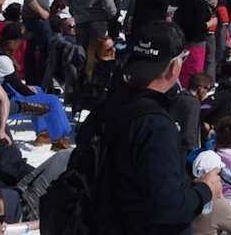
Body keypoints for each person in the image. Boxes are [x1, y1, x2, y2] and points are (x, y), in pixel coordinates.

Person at [83, 21, 213, 235]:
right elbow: (169, 209)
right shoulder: (156, 126)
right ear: (174, 67)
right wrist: (206, 190)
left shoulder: (107, 108)